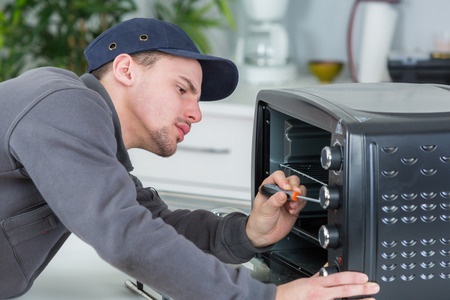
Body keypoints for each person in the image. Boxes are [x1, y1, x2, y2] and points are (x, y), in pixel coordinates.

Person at [0, 18, 379, 299]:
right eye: (182, 89)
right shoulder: (62, 102)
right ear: (126, 69)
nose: (196, 113)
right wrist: (268, 296)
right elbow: (127, 233)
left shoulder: (86, 138)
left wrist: (248, 233)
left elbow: (155, 223)